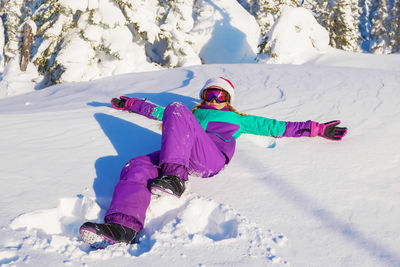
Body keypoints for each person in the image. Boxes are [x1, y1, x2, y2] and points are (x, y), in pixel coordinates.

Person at [79, 77, 347, 248]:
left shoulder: (238, 119)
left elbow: (277, 126)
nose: (214, 100)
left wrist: (317, 129)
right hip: (180, 155)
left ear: (229, 101)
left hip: (209, 159)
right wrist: (130, 103)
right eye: (209, 95)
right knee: (136, 164)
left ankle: (175, 179)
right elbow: (155, 111)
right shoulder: (191, 113)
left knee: (175, 109)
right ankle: (123, 226)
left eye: (220, 96)